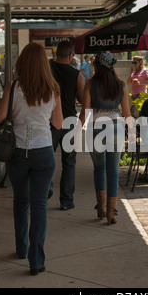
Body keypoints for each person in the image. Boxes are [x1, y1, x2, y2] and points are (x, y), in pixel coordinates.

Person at [0, 43, 63, 276]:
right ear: (44, 64)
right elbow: (58, 124)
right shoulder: (53, 89)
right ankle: (37, 261)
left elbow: (0, 117)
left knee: (21, 202)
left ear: (22, 63)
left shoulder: (13, 87)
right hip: (43, 152)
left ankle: (21, 247)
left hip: (17, 154)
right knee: (39, 205)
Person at [79, 52, 131, 225]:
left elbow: (84, 112)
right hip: (116, 127)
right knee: (113, 171)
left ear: (97, 66)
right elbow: (127, 113)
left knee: (99, 168)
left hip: (95, 128)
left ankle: (101, 208)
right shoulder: (120, 85)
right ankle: (111, 212)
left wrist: (77, 130)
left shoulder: (90, 84)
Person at [49, 40, 85, 210]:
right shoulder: (76, 74)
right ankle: (66, 201)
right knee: (69, 162)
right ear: (71, 55)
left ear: (57, 53)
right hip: (69, 120)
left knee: (46, 159)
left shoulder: (47, 70)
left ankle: (46, 189)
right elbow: (84, 99)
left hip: (48, 120)